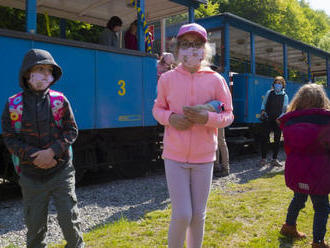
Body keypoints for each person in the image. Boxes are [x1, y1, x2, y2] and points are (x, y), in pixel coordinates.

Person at [152, 23, 234, 248]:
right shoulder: (167, 79)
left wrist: (207, 119)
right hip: (175, 156)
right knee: (182, 214)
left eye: (197, 45)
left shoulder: (216, 79)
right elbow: (157, 109)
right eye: (186, 45)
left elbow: (228, 115)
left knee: (198, 214)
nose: (191, 50)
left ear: (205, 49)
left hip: (204, 157)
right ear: (177, 49)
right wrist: (170, 118)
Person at [1, 49, 84, 248]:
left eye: (49, 70)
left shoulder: (59, 101)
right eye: (40, 69)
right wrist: (33, 156)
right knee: (35, 225)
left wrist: (52, 152)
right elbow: (10, 138)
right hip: (30, 175)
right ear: (27, 74)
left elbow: (71, 130)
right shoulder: (13, 105)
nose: (46, 74)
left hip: (61, 171)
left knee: (68, 218)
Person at [278, 84, 330, 248]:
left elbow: (288, 147)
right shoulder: (326, 121)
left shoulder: (289, 121)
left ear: (298, 100)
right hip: (319, 171)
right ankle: (318, 242)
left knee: (298, 198)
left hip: (297, 169)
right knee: (321, 206)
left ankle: (289, 226)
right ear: (322, 100)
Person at [258, 76, 289, 167]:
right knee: (265, 138)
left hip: (278, 120)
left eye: (280, 83)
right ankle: (263, 159)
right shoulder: (269, 92)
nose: (277, 85)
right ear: (273, 84)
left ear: (283, 85)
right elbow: (263, 103)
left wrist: (279, 118)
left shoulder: (285, 96)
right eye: (276, 83)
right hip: (267, 118)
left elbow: (284, 110)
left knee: (277, 139)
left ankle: (274, 159)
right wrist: (263, 110)